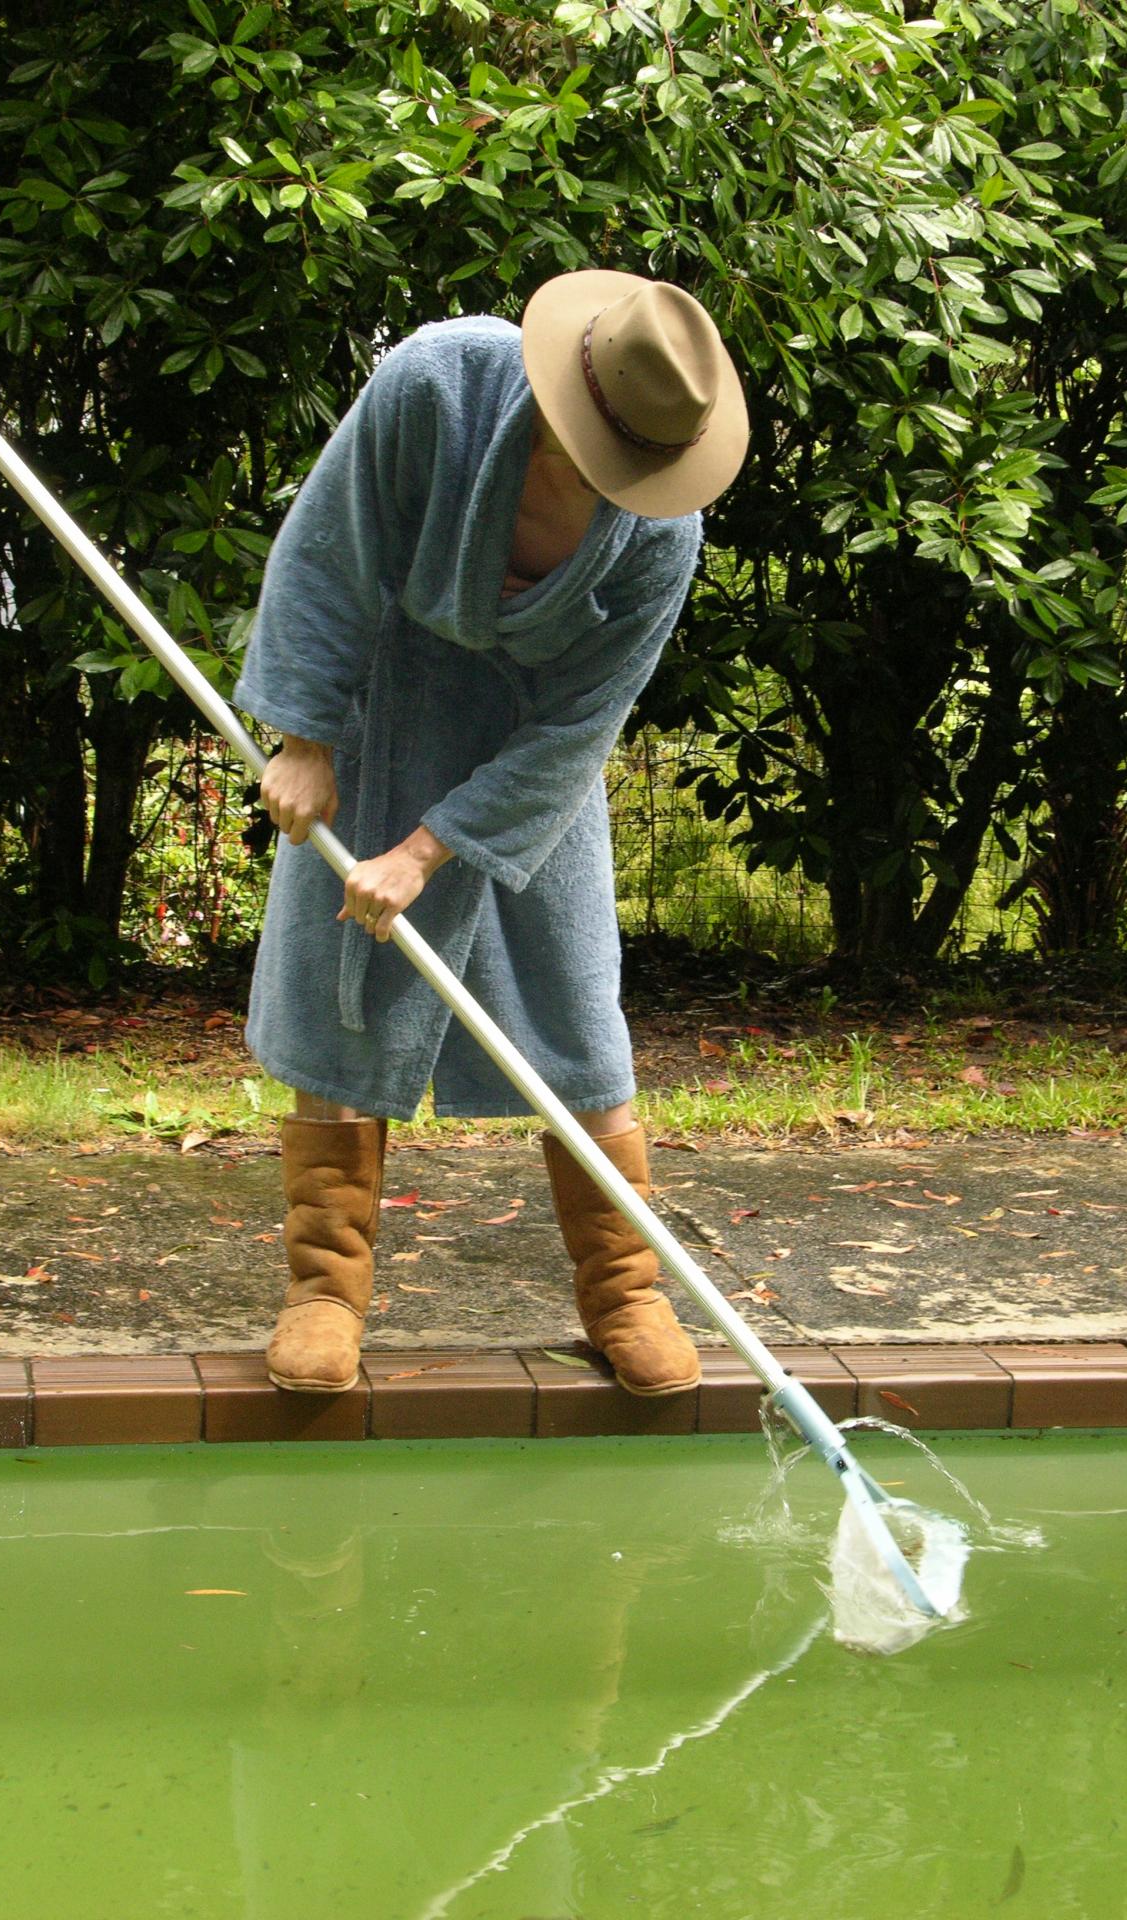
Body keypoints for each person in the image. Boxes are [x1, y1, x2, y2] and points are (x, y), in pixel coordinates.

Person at [233, 270, 748, 1402]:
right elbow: (330, 546)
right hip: (380, 709)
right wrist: (305, 735)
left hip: (523, 773)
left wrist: (429, 850)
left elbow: (580, 725)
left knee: (575, 1021)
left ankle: (625, 1291)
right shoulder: (436, 384)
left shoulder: (663, 530)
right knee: (340, 988)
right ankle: (325, 1291)